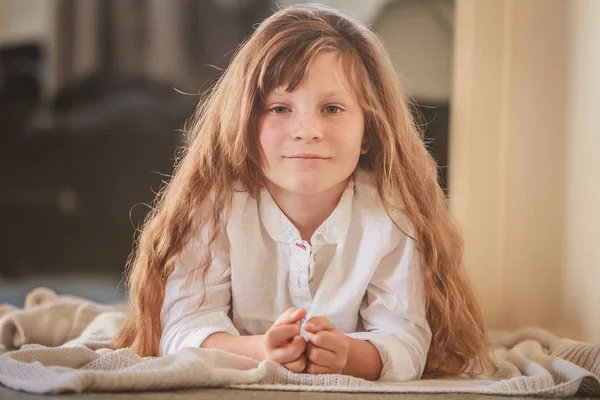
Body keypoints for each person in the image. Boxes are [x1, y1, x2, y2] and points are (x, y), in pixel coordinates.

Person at [113, 4, 490, 382]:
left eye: (332, 108)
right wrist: (260, 350)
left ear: (369, 132)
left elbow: (405, 341)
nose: (307, 130)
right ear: (244, 123)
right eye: (280, 107)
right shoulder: (216, 207)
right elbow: (182, 330)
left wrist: (348, 356)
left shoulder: (392, 216)